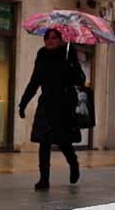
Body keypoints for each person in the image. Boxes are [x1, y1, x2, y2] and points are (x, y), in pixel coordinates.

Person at [18, 28, 87, 191]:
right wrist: (23, 103)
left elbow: (81, 79)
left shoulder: (68, 52)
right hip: (47, 103)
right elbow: (34, 80)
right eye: (47, 38)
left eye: (54, 38)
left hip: (64, 104)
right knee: (44, 142)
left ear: (60, 40)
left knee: (63, 142)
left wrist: (71, 66)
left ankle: (73, 163)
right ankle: (44, 179)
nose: (50, 41)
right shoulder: (41, 54)